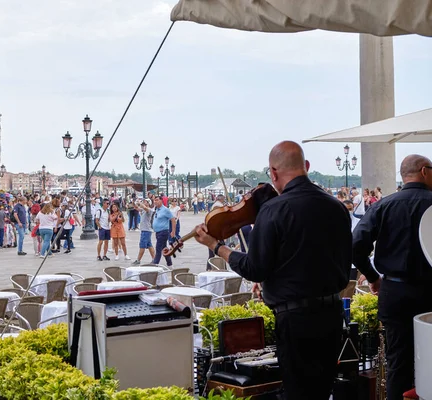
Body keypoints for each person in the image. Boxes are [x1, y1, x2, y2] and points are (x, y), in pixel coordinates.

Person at [194, 141, 351, 399]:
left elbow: (254, 269)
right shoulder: (336, 207)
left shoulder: (274, 209)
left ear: (274, 173)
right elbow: (339, 263)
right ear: (307, 167)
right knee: (321, 392)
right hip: (332, 315)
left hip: (296, 320)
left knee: (297, 393)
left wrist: (216, 246)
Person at [353, 154, 432, 399]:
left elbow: (355, 246)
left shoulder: (383, 205)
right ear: (424, 171)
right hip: (430, 292)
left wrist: (373, 276)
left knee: (398, 362)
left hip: (395, 292)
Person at [152, 196, 176, 267]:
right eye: (154, 200)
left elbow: (173, 220)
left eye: (157, 200)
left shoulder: (165, 210)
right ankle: (169, 263)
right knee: (164, 248)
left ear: (161, 201)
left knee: (158, 247)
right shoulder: (157, 209)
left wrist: (173, 231)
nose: (155, 202)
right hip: (158, 232)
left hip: (163, 231)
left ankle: (155, 263)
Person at [132, 198, 155, 265]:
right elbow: (137, 208)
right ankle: (154, 259)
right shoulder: (143, 210)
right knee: (149, 245)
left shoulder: (149, 210)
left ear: (148, 203)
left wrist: (140, 203)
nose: (144, 202)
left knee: (142, 246)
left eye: (146, 202)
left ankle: (138, 260)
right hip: (145, 230)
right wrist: (133, 202)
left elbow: (144, 207)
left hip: (146, 230)